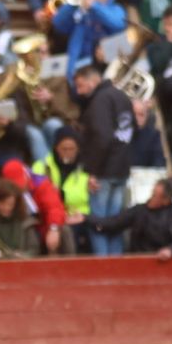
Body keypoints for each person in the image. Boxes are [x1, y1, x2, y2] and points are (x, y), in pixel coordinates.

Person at [74, 65, 133, 255]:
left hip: (104, 171)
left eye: (81, 86)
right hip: (122, 167)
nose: (79, 91)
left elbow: (102, 137)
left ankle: (103, 264)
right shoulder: (122, 96)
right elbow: (133, 131)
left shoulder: (99, 100)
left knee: (98, 223)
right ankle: (116, 264)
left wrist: (93, 171)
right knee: (115, 223)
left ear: (93, 81)